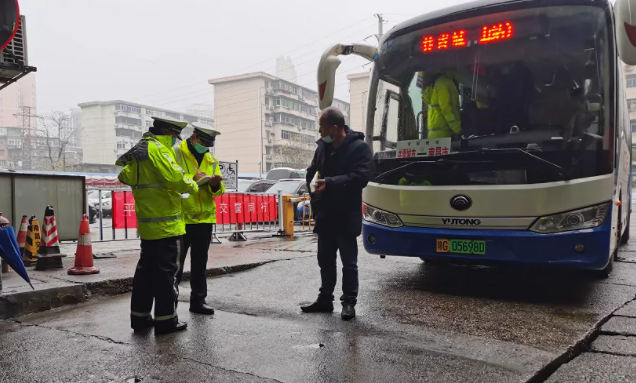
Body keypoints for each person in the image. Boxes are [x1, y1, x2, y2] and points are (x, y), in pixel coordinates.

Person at [116, 117, 201, 335]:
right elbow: (176, 179)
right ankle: (166, 321)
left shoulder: (138, 150)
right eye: (174, 136)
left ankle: (141, 319)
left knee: (145, 275)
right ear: (167, 132)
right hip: (167, 226)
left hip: (147, 226)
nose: (175, 141)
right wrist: (193, 183)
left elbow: (124, 175)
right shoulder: (158, 150)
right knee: (167, 276)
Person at [302, 107, 373, 321]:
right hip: (325, 214)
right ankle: (325, 299)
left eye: (322, 127)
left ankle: (349, 303)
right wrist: (313, 195)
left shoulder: (360, 148)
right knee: (325, 259)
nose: (319, 131)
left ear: (334, 128)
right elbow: (312, 170)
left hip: (346, 214)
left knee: (349, 262)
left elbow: (361, 177)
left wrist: (330, 183)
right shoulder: (322, 147)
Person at [174, 122, 225, 315]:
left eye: (208, 145)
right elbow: (172, 179)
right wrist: (193, 179)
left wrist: (214, 184)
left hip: (204, 219)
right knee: (176, 265)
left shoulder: (211, 159)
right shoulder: (176, 153)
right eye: (203, 143)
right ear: (194, 137)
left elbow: (219, 191)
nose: (205, 148)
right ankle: (171, 304)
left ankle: (198, 301)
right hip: (182, 218)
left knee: (200, 263)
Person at [421, 70, 462, 139]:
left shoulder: (433, 84)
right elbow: (448, 109)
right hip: (446, 136)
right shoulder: (445, 83)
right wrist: (458, 131)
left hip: (434, 136)